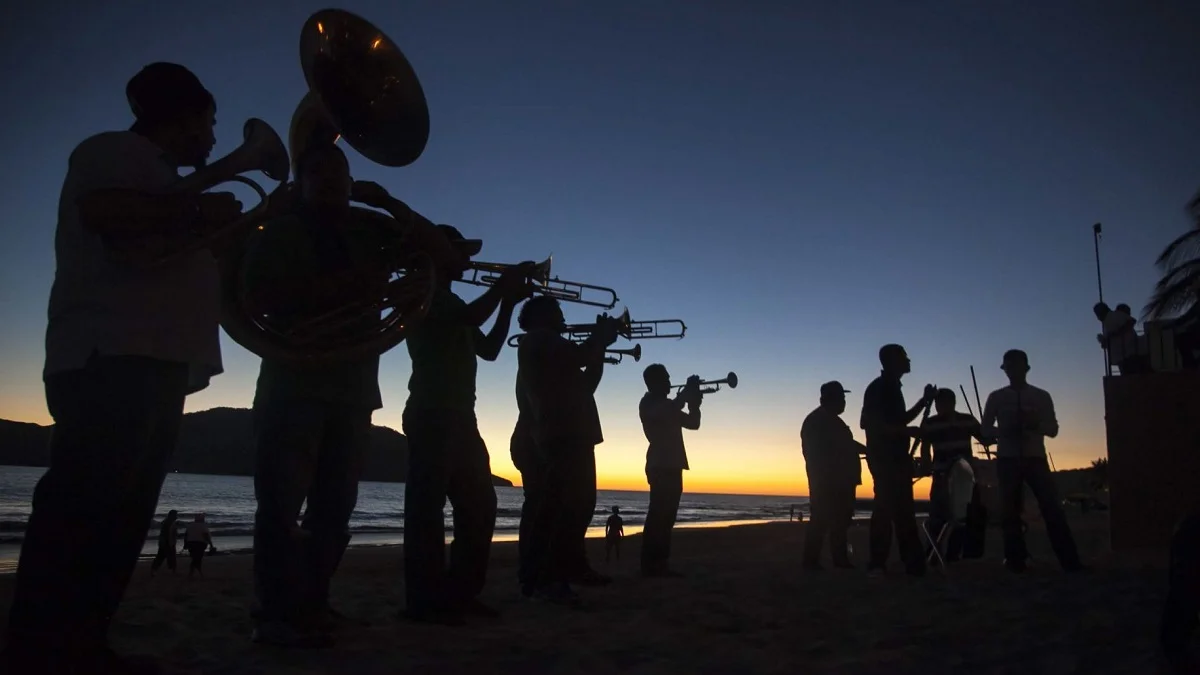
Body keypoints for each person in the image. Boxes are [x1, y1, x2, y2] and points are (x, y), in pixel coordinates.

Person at [1, 62, 243, 675]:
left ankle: (81, 646)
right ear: (184, 117)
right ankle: (41, 649)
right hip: (111, 353)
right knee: (86, 509)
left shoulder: (161, 177)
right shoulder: (115, 151)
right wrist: (201, 212)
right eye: (209, 124)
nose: (214, 140)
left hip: (152, 363)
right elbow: (110, 216)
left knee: (122, 516)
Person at [242, 142, 456, 646]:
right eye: (318, 171)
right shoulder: (281, 231)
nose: (332, 179)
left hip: (355, 390)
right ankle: (273, 613)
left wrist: (389, 203)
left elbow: (447, 260)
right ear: (300, 182)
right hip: (292, 383)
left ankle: (314, 604)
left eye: (340, 170)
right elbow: (259, 299)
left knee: (334, 509)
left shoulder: (369, 229)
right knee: (279, 507)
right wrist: (351, 287)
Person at [401, 227, 532, 625]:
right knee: (426, 513)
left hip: (461, 415)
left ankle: (460, 593)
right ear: (438, 255)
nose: (467, 261)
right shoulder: (420, 294)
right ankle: (425, 601)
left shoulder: (455, 299)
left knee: (480, 505)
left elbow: (490, 349)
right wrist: (503, 289)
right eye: (459, 253)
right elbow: (471, 315)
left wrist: (508, 304)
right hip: (431, 411)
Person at [517, 296, 619, 603]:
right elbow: (582, 355)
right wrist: (599, 338)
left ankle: (558, 573)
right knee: (561, 508)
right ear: (541, 316)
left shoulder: (555, 351)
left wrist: (599, 346)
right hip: (561, 432)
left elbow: (589, 382)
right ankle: (545, 579)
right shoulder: (539, 340)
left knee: (580, 504)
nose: (563, 317)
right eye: (557, 312)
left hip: (576, 432)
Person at [980, 349, 1085, 574]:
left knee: (1052, 509)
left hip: (1035, 458)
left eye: (1015, 367)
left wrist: (1034, 424)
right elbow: (985, 430)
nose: (1012, 372)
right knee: (1010, 512)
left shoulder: (1041, 396)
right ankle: (1015, 561)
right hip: (1008, 459)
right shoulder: (996, 397)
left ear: (1025, 368)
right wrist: (1004, 431)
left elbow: (1053, 429)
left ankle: (1070, 561)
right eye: (1009, 368)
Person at [860, 344, 935, 577]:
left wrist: (923, 402)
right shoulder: (879, 388)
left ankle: (911, 563)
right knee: (887, 509)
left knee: (902, 509)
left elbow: (899, 420)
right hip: (885, 458)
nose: (909, 360)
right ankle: (880, 563)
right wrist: (907, 432)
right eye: (904, 357)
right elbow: (869, 424)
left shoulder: (891, 387)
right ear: (893, 361)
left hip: (895, 458)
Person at [639, 364, 702, 577]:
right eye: (665, 378)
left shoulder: (668, 405)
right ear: (654, 382)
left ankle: (660, 563)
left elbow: (693, 424)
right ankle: (650, 563)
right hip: (660, 464)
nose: (668, 381)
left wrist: (695, 405)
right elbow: (664, 412)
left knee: (668, 517)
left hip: (674, 464)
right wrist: (684, 396)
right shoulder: (648, 403)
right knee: (658, 514)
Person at [916, 388, 985, 563]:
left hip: (964, 477)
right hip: (941, 474)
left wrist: (988, 434)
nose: (941, 407)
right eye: (939, 403)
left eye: (944, 403)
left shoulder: (967, 420)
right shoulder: (931, 423)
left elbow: (984, 437)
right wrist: (925, 463)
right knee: (938, 516)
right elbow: (925, 446)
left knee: (962, 516)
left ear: (953, 403)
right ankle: (933, 553)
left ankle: (954, 554)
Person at [800, 381, 863, 570]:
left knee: (840, 521)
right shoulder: (817, 421)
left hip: (840, 480)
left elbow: (848, 444)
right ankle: (812, 562)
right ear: (826, 400)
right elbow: (823, 452)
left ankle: (839, 559)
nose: (844, 403)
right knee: (821, 520)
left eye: (843, 398)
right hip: (828, 481)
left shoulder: (833, 421)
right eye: (840, 398)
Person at [1094, 302, 1147, 374]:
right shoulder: (1106, 323)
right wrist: (1103, 341)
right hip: (1120, 358)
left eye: (1098, 313)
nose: (1098, 317)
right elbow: (1109, 340)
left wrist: (1116, 334)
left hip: (1130, 354)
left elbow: (1131, 321)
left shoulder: (1114, 315)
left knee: (1135, 377)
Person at [150, 510, 180, 577]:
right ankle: (173, 571)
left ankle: (154, 570)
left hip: (164, 542)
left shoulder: (167, 521)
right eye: (176, 515)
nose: (176, 516)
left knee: (162, 557)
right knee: (167, 557)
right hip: (167, 542)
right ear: (172, 515)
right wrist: (171, 543)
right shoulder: (170, 522)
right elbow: (169, 533)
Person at [184, 513, 215, 578]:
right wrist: (211, 544)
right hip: (200, 544)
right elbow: (206, 536)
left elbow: (186, 535)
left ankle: (196, 573)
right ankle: (193, 573)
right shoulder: (203, 526)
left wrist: (185, 544)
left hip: (190, 543)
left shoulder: (190, 525)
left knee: (195, 558)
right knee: (197, 559)